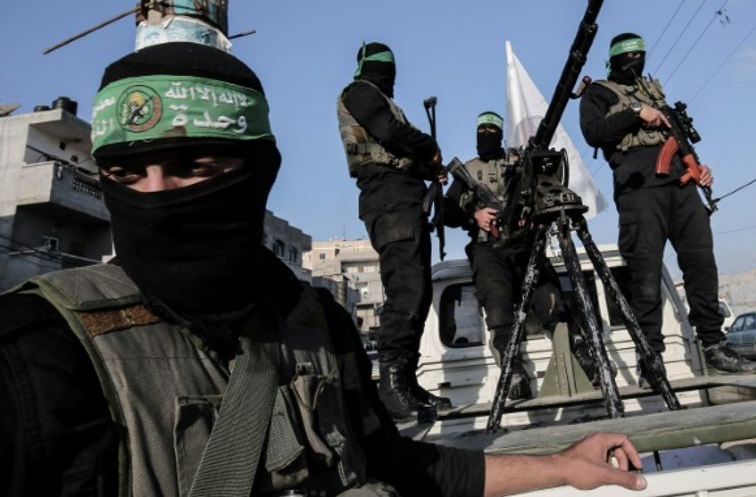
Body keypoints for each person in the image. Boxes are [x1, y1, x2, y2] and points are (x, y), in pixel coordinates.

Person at [0, 42, 648, 496]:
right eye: (125, 171)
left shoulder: (316, 326)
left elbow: (397, 463)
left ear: (258, 172)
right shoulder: (39, 350)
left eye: (193, 165)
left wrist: (562, 464)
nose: (156, 193)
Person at [579, 32, 756, 377]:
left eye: (640, 54)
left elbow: (680, 138)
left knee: (701, 262)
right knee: (644, 272)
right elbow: (594, 133)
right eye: (629, 56)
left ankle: (713, 344)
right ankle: (651, 357)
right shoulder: (598, 92)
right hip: (639, 186)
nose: (636, 61)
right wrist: (635, 112)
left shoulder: (653, 91)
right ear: (615, 59)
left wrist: (698, 168)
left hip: (680, 183)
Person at [443, 111, 595, 400]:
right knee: (498, 310)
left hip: (525, 246)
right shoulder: (467, 171)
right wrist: (474, 215)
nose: (486, 133)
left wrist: (531, 216)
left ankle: (582, 358)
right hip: (489, 250)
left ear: (500, 134)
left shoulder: (519, 164)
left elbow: (547, 193)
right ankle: (513, 373)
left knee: (553, 304)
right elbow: (447, 213)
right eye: (482, 129)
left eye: (492, 129)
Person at [337, 41, 450, 421]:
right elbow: (387, 132)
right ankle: (391, 387)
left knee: (417, 293)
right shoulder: (360, 94)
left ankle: (405, 380)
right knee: (406, 290)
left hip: (404, 195)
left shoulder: (380, 99)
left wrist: (427, 169)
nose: (388, 73)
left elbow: (399, 152)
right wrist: (428, 146)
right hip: (386, 196)